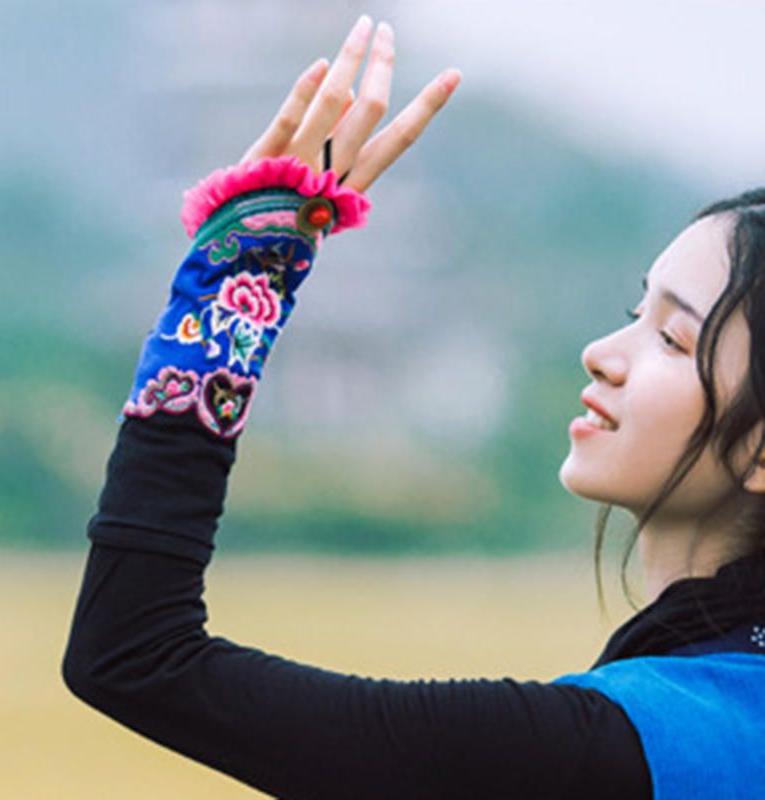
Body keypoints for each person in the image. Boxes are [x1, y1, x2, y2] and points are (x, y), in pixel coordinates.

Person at [62, 14, 765, 800]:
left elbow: (133, 655)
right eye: (635, 312)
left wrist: (238, 278)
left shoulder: (621, 748)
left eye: (672, 339)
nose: (604, 351)